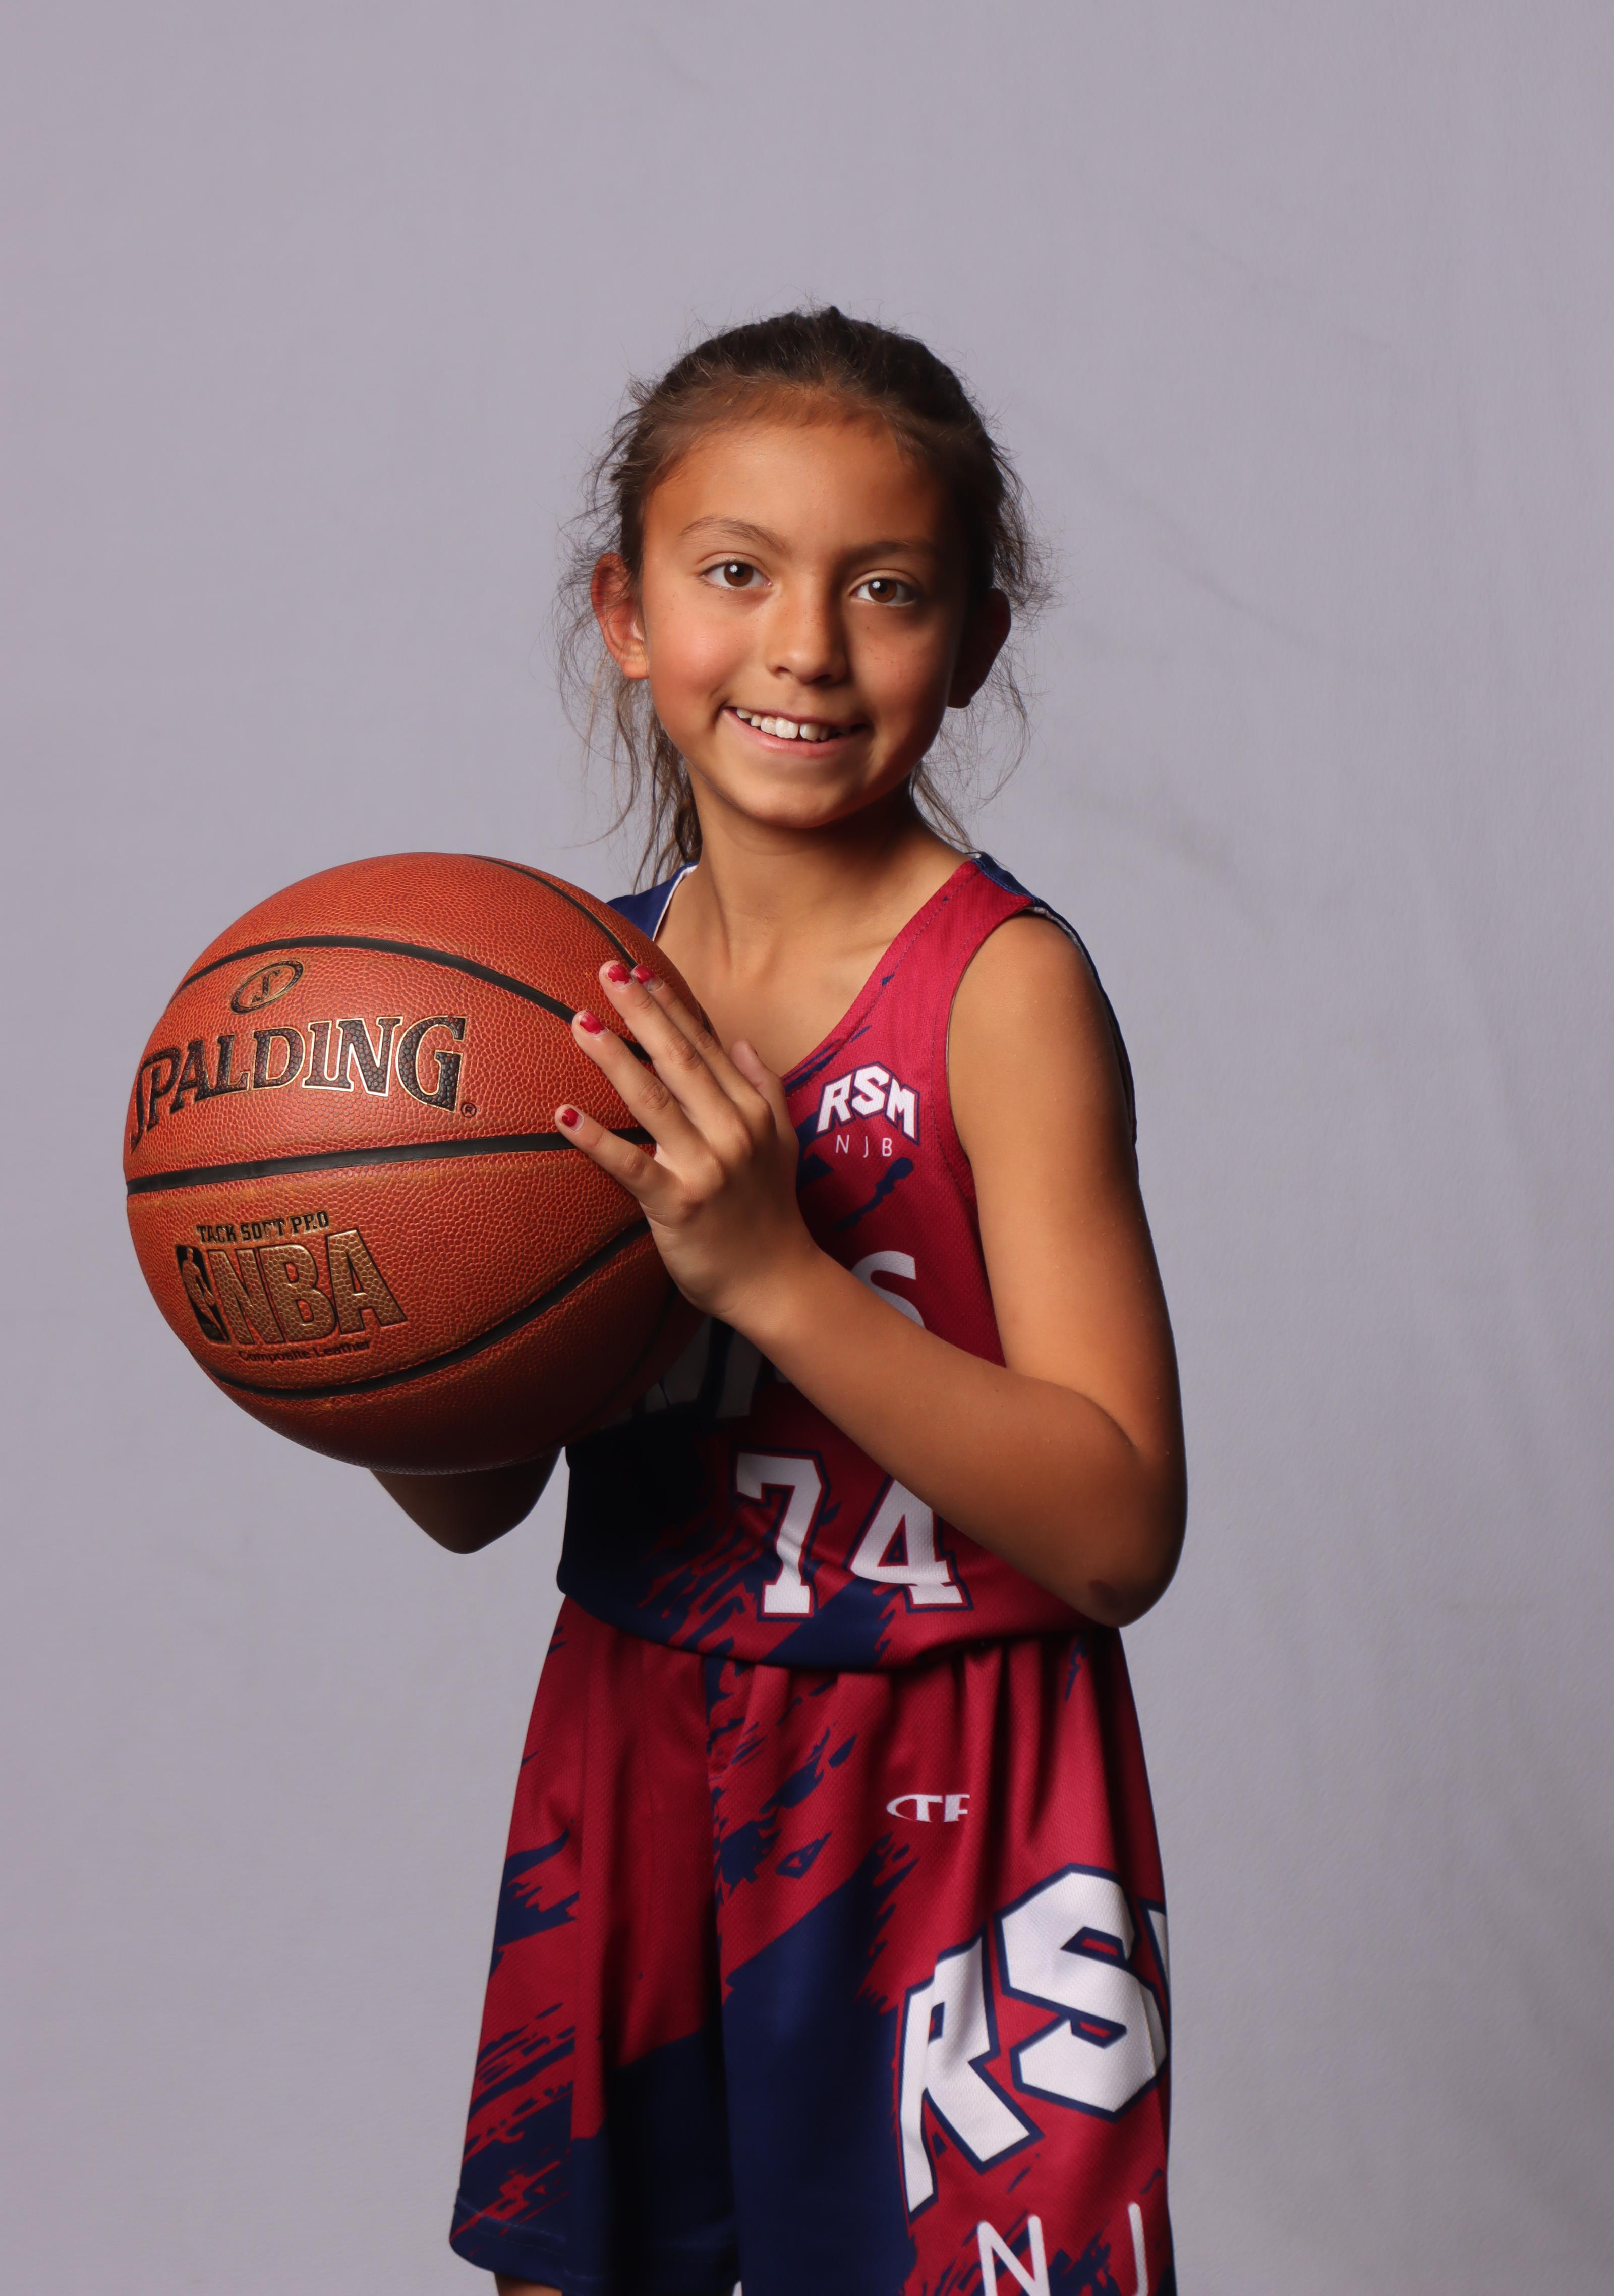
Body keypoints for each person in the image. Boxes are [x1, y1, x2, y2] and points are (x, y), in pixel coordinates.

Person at [376, 308, 1185, 2296]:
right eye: (734, 572)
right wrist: (364, 1338)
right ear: (628, 614)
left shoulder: (998, 991)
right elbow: (476, 1500)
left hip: (953, 1762)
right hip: (637, 1727)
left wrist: (770, 1278)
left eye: (884, 588)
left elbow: (1116, 1530)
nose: (804, 646)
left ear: (972, 641)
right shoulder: (566, 996)